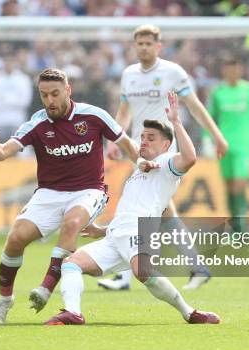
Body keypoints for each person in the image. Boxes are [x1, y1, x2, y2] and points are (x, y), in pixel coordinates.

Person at [0, 68, 139, 324]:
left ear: (68, 90)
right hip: (49, 193)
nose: (50, 101)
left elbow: (127, 144)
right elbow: (1, 154)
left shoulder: (94, 116)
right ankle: (4, 300)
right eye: (44, 95)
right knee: (15, 239)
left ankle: (45, 288)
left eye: (55, 94)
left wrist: (144, 166)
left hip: (89, 190)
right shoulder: (38, 123)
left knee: (73, 223)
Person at [45, 92, 220, 325]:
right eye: (142, 136)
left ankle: (190, 313)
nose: (144, 141)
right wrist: (103, 230)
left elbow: (189, 158)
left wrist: (176, 121)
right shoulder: (139, 170)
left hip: (140, 232)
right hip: (116, 236)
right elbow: (128, 214)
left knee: (142, 272)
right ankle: (73, 313)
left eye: (151, 138)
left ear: (166, 145)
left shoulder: (167, 164)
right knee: (71, 264)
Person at [100, 24, 228, 291]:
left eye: (149, 43)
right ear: (134, 46)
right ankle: (197, 268)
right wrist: (116, 139)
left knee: (139, 206)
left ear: (158, 46)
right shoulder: (129, 75)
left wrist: (217, 136)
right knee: (162, 211)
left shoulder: (172, 72)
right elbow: (124, 111)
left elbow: (195, 107)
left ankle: (127, 275)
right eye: (140, 43)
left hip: (165, 152)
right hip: (138, 150)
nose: (144, 47)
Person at [203, 54, 249, 232]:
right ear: (224, 70)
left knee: (239, 183)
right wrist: (206, 140)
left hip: (244, 144)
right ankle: (234, 226)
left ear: (240, 69)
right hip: (224, 145)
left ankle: (240, 228)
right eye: (228, 67)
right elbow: (210, 118)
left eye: (235, 67)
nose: (232, 71)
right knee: (228, 185)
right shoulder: (218, 92)